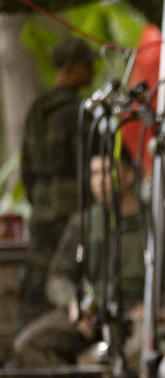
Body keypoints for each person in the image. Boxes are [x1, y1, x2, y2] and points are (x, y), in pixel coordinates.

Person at [13, 150, 144, 369]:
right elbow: (58, 278)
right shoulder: (82, 223)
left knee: (138, 352)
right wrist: (74, 305)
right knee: (29, 344)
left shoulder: (156, 222)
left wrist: (159, 307)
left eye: (105, 172)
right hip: (93, 313)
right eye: (93, 174)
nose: (98, 182)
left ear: (129, 175)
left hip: (135, 314)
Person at [18, 37, 95, 329]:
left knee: (38, 279)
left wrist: (39, 199)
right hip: (69, 210)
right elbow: (88, 166)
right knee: (65, 276)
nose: (90, 73)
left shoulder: (39, 109)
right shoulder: (77, 112)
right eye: (87, 67)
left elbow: (26, 167)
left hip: (42, 207)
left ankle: (23, 342)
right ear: (72, 69)